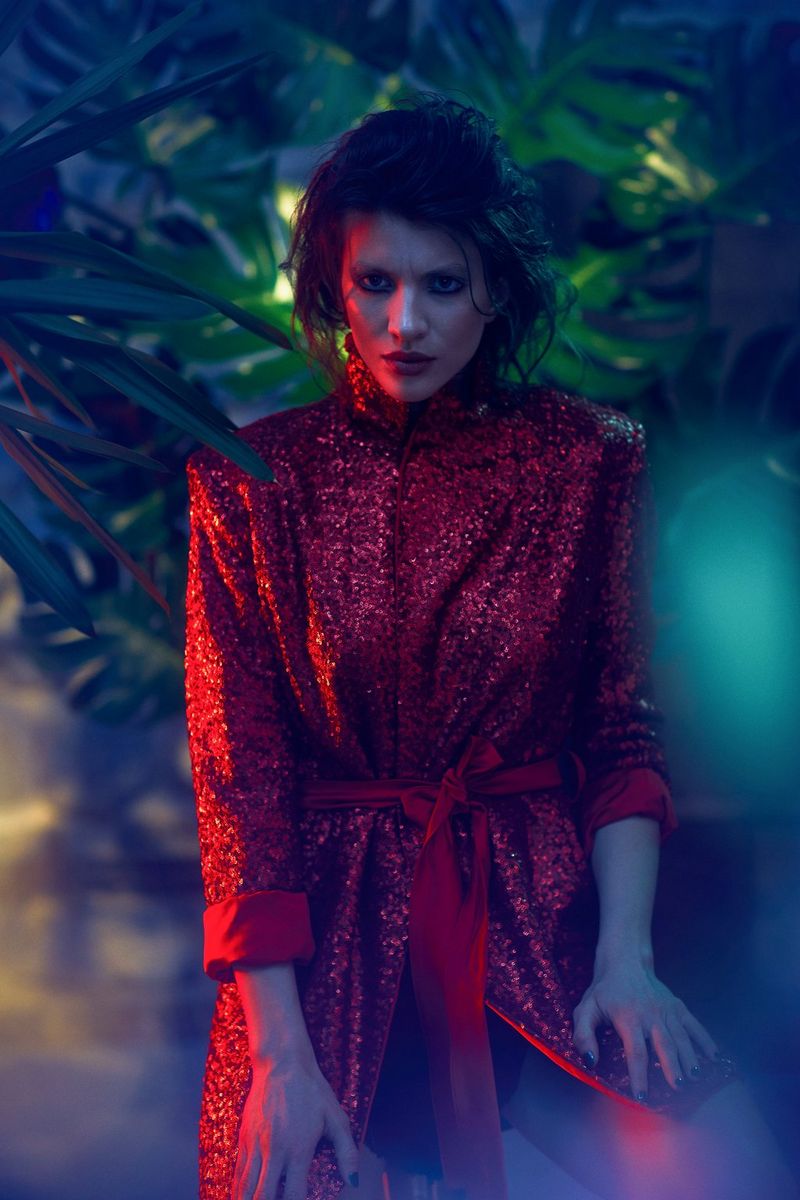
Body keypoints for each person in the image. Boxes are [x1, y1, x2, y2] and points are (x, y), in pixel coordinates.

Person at [183, 94, 798, 1200]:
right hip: (326, 964)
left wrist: (625, 960)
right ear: (333, 286)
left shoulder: (586, 460)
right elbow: (242, 785)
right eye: (374, 283)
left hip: (539, 921)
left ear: (495, 291)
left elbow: (618, 726)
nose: (403, 324)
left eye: (442, 285)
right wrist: (276, 1049)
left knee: (734, 1166)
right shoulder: (247, 481)